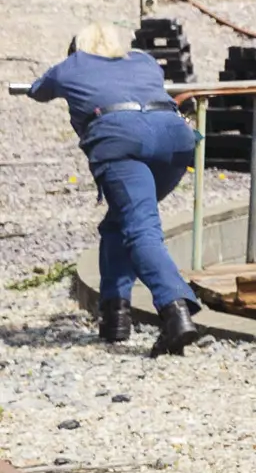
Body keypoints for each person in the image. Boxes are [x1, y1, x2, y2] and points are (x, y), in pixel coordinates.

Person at [17, 24, 201, 354]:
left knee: (141, 229)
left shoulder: (72, 65)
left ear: (78, 47)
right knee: (120, 222)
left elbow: (40, 89)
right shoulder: (143, 60)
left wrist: (31, 88)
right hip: (175, 140)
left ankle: (176, 309)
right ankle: (115, 316)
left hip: (120, 139)